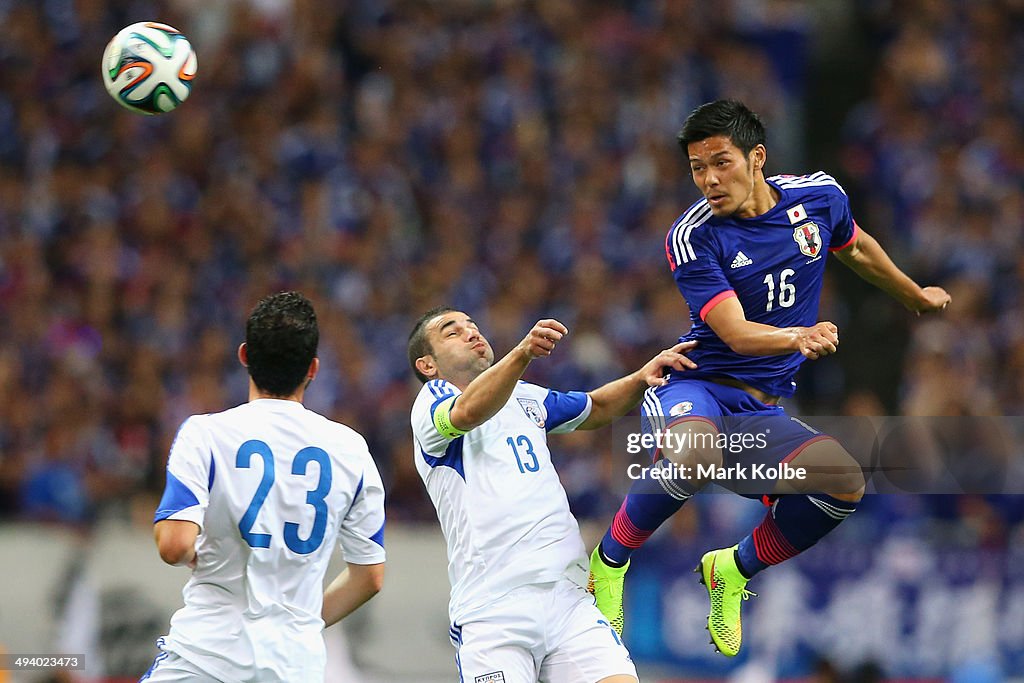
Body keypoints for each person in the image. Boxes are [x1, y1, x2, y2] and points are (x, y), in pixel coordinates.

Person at [587, 99, 951, 657]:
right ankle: (610, 560)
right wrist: (796, 337)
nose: (708, 180)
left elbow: (857, 249)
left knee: (844, 481)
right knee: (693, 454)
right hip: (695, 383)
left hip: (761, 410)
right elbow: (733, 333)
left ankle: (732, 569)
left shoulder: (820, 197)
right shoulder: (693, 236)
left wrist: (914, 296)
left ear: (756, 157)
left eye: (720, 162)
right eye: (696, 167)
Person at [408, 307, 696, 683]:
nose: (470, 333)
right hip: (494, 610)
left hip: (568, 599)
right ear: (427, 365)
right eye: (452, 331)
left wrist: (642, 378)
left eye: (473, 325)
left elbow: (598, 406)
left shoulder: (525, 397)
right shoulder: (431, 405)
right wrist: (522, 354)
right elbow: (467, 412)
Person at [142, 291, 386, 682]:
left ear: (244, 356)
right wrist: (299, 622)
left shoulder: (205, 434)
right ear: (313, 368)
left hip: (206, 657)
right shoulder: (351, 449)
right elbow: (370, 575)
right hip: (294, 665)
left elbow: (175, 546)